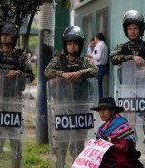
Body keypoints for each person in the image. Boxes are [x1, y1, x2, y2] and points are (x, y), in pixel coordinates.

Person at [110, 10, 145, 165]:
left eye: (135, 28)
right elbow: (113, 59)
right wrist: (131, 57)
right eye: (129, 29)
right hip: (127, 90)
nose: (132, 31)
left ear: (140, 29)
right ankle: (130, 152)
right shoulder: (121, 47)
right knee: (128, 123)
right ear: (126, 31)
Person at [0, 21, 35, 168]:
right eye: (3, 34)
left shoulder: (21, 57)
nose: (5, 37)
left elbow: (31, 77)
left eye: (8, 35)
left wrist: (18, 73)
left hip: (14, 103)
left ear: (14, 37)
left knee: (15, 142)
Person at [44, 26, 98, 167]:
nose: (72, 47)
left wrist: (81, 72)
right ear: (65, 45)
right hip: (62, 105)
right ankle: (60, 163)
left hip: (81, 105)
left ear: (80, 45)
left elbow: (94, 70)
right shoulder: (59, 61)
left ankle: (76, 164)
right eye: (69, 44)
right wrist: (61, 74)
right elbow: (47, 72)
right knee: (62, 139)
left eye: (75, 44)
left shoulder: (84, 60)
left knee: (78, 142)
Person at [90, 97, 143, 168]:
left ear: (112, 110)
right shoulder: (102, 129)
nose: (101, 113)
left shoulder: (121, 125)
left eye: (105, 109)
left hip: (120, 163)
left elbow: (125, 147)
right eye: (100, 110)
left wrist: (109, 144)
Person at [85, 32, 108, 98]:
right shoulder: (103, 45)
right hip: (102, 66)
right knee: (99, 85)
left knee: (94, 84)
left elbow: (97, 56)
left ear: (97, 38)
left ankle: (94, 99)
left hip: (98, 66)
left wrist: (91, 56)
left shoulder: (99, 45)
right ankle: (100, 99)